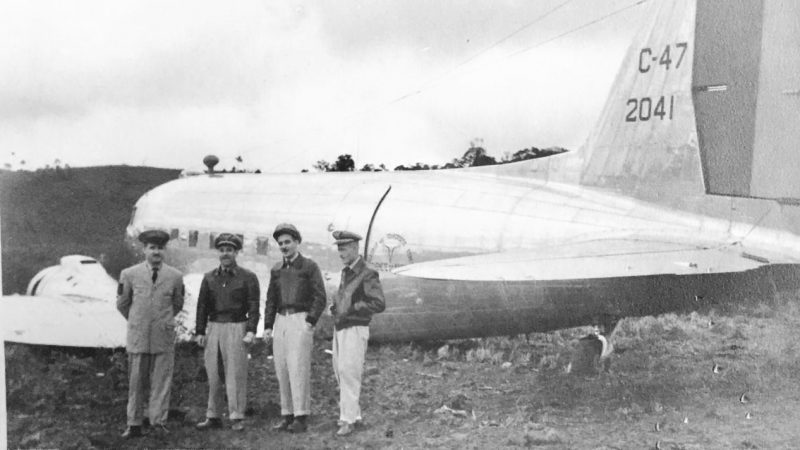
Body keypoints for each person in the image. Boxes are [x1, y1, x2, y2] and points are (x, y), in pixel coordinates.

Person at [117, 229, 185, 439]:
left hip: (162, 336)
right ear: (144, 249)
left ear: (165, 250)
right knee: (136, 381)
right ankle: (134, 424)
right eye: (152, 247)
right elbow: (122, 304)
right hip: (139, 336)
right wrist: (138, 321)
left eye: (160, 248)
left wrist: (161, 321)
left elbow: (177, 304)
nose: (156, 252)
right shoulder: (129, 274)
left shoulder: (175, 276)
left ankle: (158, 422)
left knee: (161, 381)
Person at [194, 233, 260, 431]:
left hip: (237, 327)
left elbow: (254, 307)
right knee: (213, 373)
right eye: (222, 250)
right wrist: (200, 331)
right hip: (214, 327)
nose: (225, 254)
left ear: (236, 252)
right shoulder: (209, 278)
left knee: (235, 374)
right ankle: (213, 416)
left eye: (229, 250)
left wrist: (251, 331)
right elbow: (202, 306)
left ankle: (237, 416)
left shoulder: (248, 277)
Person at [264, 223, 326, 433]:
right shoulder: (276, 269)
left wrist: (310, 321)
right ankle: (287, 415)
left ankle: (301, 416)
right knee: (282, 368)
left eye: (288, 242)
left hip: (300, 319)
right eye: (280, 243)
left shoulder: (309, 266)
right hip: (281, 320)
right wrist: (267, 326)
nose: (284, 246)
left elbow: (320, 296)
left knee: (298, 368)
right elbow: (271, 300)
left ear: (297, 242)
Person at [330, 230, 385, 436]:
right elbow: (345, 297)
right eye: (339, 249)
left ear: (354, 247)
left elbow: (378, 303)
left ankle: (347, 420)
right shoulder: (347, 271)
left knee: (349, 373)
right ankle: (355, 415)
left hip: (355, 328)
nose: (340, 253)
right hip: (341, 327)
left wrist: (352, 308)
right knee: (341, 372)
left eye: (344, 248)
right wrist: (336, 307)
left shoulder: (367, 272)